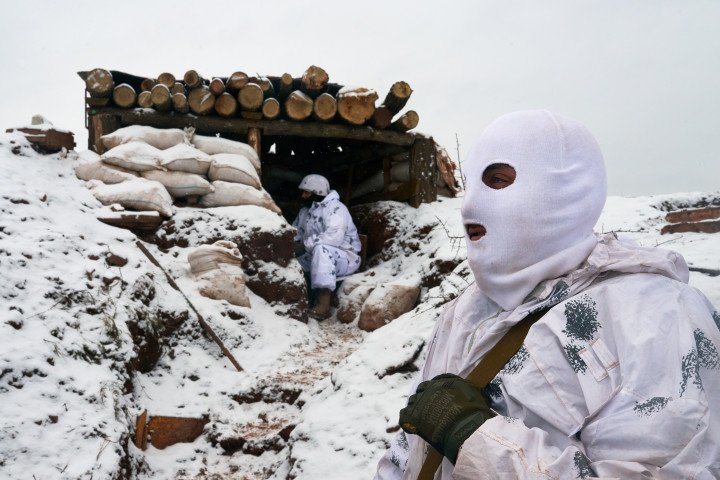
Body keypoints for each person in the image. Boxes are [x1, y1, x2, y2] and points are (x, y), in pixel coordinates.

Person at [374, 110, 720, 479]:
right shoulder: (468, 310)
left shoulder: (659, 316)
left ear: (562, 191)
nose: (469, 206)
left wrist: (475, 440)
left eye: (498, 180)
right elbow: (409, 453)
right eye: (471, 184)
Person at [292, 174, 361, 319]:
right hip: (315, 254)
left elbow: (333, 237)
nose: (303, 196)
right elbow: (296, 231)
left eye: (307, 192)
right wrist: (291, 243)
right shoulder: (306, 210)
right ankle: (301, 300)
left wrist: (305, 246)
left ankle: (323, 304)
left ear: (318, 193)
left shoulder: (336, 209)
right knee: (292, 263)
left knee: (321, 249)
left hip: (344, 258)